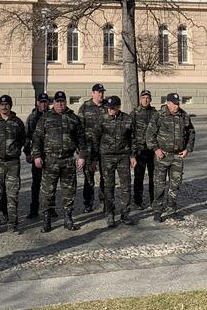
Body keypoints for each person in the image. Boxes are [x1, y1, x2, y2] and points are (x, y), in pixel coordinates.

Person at [31, 90, 87, 232]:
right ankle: (47, 219)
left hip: (68, 160)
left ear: (65, 102)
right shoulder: (45, 118)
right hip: (50, 160)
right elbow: (37, 138)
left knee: (69, 191)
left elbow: (81, 139)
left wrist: (82, 156)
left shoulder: (74, 118)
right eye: (57, 101)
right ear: (53, 103)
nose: (60, 104)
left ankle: (68, 218)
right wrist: (37, 156)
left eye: (62, 101)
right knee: (48, 192)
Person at [146, 93, 195, 222]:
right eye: (174, 104)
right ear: (168, 103)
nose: (177, 106)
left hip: (178, 156)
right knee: (159, 185)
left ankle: (171, 209)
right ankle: (157, 211)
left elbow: (191, 133)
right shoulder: (159, 115)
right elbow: (150, 134)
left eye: (178, 103)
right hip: (163, 155)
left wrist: (187, 149)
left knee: (175, 184)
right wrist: (156, 149)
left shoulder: (183, 115)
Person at [0, 94, 27, 236]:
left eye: (7, 104)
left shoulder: (17, 122)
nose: (4, 107)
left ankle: (12, 223)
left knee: (12, 194)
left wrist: (15, 150)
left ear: (10, 106)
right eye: (2, 104)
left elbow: (23, 139)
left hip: (12, 163)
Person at [95, 95, 136, 227]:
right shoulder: (102, 119)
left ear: (118, 107)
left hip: (123, 156)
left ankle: (125, 213)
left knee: (125, 186)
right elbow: (95, 139)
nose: (110, 110)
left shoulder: (128, 119)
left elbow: (133, 139)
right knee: (108, 186)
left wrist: (133, 156)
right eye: (109, 108)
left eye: (113, 108)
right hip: (106, 157)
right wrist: (95, 159)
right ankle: (110, 214)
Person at [77, 83, 106, 212]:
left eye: (102, 92)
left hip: (105, 148)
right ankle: (88, 203)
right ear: (92, 93)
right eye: (98, 92)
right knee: (89, 178)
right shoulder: (85, 107)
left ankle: (104, 201)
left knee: (105, 176)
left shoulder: (107, 106)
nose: (101, 94)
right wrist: (81, 150)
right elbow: (79, 130)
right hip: (89, 149)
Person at [24, 92, 50, 219]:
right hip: (36, 154)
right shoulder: (32, 117)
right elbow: (27, 136)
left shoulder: (53, 116)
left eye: (46, 102)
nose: (44, 104)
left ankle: (50, 209)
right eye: (41, 102)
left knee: (50, 184)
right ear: (37, 103)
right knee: (36, 183)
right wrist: (28, 153)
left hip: (50, 155)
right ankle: (34, 209)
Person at [131, 90, 158, 209]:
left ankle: (154, 200)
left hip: (153, 151)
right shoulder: (135, 113)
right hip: (140, 150)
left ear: (150, 99)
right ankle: (138, 201)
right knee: (138, 177)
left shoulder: (155, 113)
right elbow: (130, 133)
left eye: (148, 98)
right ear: (140, 99)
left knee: (154, 177)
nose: (146, 100)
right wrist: (133, 152)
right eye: (143, 98)